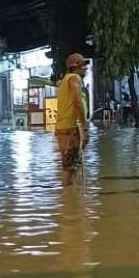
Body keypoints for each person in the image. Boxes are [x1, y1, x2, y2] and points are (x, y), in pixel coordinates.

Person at [56, 53, 90, 186]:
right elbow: (77, 102)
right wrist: (84, 127)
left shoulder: (65, 80)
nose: (85, 68)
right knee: (70, 168)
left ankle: (69, 200)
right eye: (83, 65)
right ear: (75, 66)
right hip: (72, 129)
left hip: (63, 128)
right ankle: (70, 199)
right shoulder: (74, 78)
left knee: (69, 167)